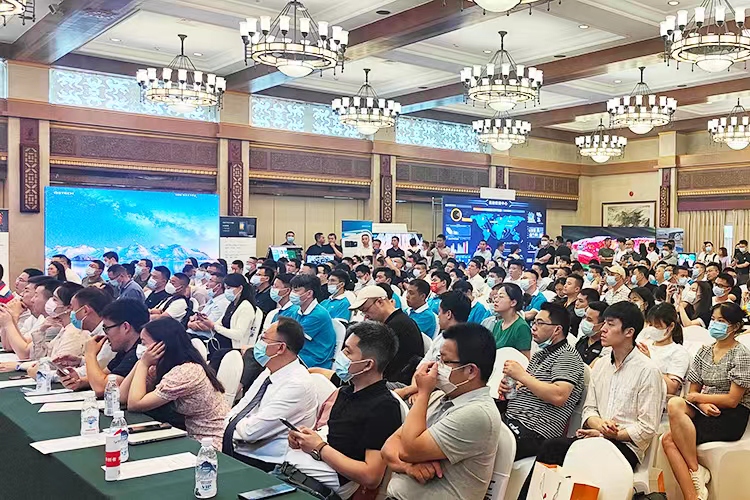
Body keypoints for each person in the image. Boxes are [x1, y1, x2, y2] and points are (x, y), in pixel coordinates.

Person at [518, 301, 666, 499]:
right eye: (604, 323)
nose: (603, 329)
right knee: (552, 448)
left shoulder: (648, 371)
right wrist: (599, 427)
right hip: (594, 437)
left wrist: (613, 434)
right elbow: (589, 409)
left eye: (610, 324)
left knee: (573, 456)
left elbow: (647, 428)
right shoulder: (602, 365)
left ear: (629, 332)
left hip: (625, 447)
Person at [279, 321, 402, 498]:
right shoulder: (345, 392)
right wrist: (305, 440)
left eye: (348, 352)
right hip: (288, 473)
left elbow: (371, 476)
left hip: (313, 488)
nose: (341, 356)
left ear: (368, 365)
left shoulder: (384, 407)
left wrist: (319, 447)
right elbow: (335, 442)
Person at [383, 323, 502, 500]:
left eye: (444, 362)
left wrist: (423, 393)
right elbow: (389, 446)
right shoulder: (440, 396)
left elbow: (408, 449)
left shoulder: (478, 414)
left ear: (470, 371)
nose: (435, 367)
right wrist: (408, 467)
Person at [662, 302, 750, 500]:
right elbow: (693, 390)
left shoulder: (742, 354)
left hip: (730, 416)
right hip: (704, 408)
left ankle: (692, 495)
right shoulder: (704, 351)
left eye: (721, 321)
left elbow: (732, 400)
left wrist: (698, 398)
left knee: (669, 440)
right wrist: (701, 403)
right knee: (675, 404)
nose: (715, 324)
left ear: (735, 326)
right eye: (713, 320)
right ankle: (696, 473)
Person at [222, 317, 317, 472]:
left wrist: (232, 425)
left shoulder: (297, 385)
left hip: (266, 463)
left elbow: (250, 432)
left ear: (280, 348)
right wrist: (232, 423)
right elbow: (240, 408)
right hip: (239, 449)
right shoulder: (269, 370)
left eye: (263, 338)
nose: (258, 344)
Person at [122, 318, 229, 448]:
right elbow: (121, 397)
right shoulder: (162, 365)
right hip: (188, 435)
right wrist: (140, 363)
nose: (141, 348)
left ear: (161, 346)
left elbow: (135, 404)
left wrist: (143, 364)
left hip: (209, 442)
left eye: (144, 343)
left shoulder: (187, 371)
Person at [499, 302, 585, 460]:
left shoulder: (568, 356)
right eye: (534, 322)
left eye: (540, 323)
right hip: (512, 419)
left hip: (535, 431)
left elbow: (559, 396)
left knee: (477, 439)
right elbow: (530, 387)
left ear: (557, 329)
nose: (533, 327)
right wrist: (511, 388)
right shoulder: (540, 354)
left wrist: (522, 376)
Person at [70, 298, 151, 397]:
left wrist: (90, 354)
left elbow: (102, 388)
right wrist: (79, 382)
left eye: (107, 328)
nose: (105, 334)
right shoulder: (124, 350)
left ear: (125, 327)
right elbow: (104, 376)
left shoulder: (139, 352)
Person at [349, 285, 423, 384]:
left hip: (396, 382)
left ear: (380, 302)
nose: (366, 316)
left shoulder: (395, 327)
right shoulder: (396, 320)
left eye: (366, 310)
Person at [636, 303, 691, 397]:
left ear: (671, 326)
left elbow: (671, 388)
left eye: (657, 326)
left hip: (658, 399)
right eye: (650, 325)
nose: (652, 329)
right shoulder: (643, 344)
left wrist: (649, 362)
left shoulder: (679, 352)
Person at [0, 279, 61, 361]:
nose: (32, 300)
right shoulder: (38, 318)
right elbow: (9, 346)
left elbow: (25, 354)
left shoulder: (54, 324)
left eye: (36, 295)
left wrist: (10, 320)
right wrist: (11, 318)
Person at [195, 273, 256, 353]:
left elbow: (238, 335)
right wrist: (206, 321)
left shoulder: (245, 307)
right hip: (219, 342)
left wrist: (214, 326)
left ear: (240, 288)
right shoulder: (232, 304)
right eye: (226, 288)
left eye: (229, 288)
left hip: (231, 347)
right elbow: (220, 323)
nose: (226, 291)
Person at [289, 274, 336, 369]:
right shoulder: (297, 310)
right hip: (300, 355)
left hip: (314, 360)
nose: (292, 293)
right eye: (292, 290)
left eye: (296, 290)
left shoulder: (318, 315)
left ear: (309, 293)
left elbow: (292, 338)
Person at [481, 283, 532, 356]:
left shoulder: (521, 327)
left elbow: (525, 359)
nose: (496, 300)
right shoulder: (498, 324)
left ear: (513, 302)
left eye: (501, 297)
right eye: (496, 297)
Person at [187, 272, 231, 340]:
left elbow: (208, 326)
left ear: (218, 286)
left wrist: (190, 324)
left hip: (202, 338)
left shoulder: (222, 303)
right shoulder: (212, 300)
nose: (207, 284)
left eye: (210, 281)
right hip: (192, 334)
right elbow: (196, 317)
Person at [575, 301, 608, 365]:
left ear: (602, 324)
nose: (585, 321)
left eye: (589, 320)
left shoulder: (605, 347)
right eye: (585, 317)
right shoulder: (582, 341)